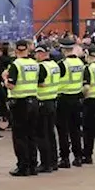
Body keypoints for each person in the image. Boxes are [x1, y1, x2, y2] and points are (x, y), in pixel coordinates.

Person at [5, 40, 42, 177]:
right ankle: (33, 165)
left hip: (20, 103)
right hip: (34, 101)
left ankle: (23, 166)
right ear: (27, 50)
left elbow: (11, 86)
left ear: (16, 50)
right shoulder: (34, 64)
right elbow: (41, 82)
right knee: (31, 135)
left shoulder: (16, 65)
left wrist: (5, 79)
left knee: (20, 136)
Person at [55, 39, 85, 168]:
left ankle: (65, 158)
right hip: (77, 98)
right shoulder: (80, 62)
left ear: (62, 49)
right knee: (75, 129)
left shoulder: (62, 64)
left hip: (63, 99)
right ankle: (78, 156)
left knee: (63, 131)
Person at [34, 45, 61, 173]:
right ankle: (54, 161)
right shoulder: (55, 65)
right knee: (50, 133)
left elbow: (41, 82)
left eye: (38, 53)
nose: (36, 55)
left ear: (42, 54)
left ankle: (46, 163)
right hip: (52, 100)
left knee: (41, 134)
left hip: (43, 102)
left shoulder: (42, 67)